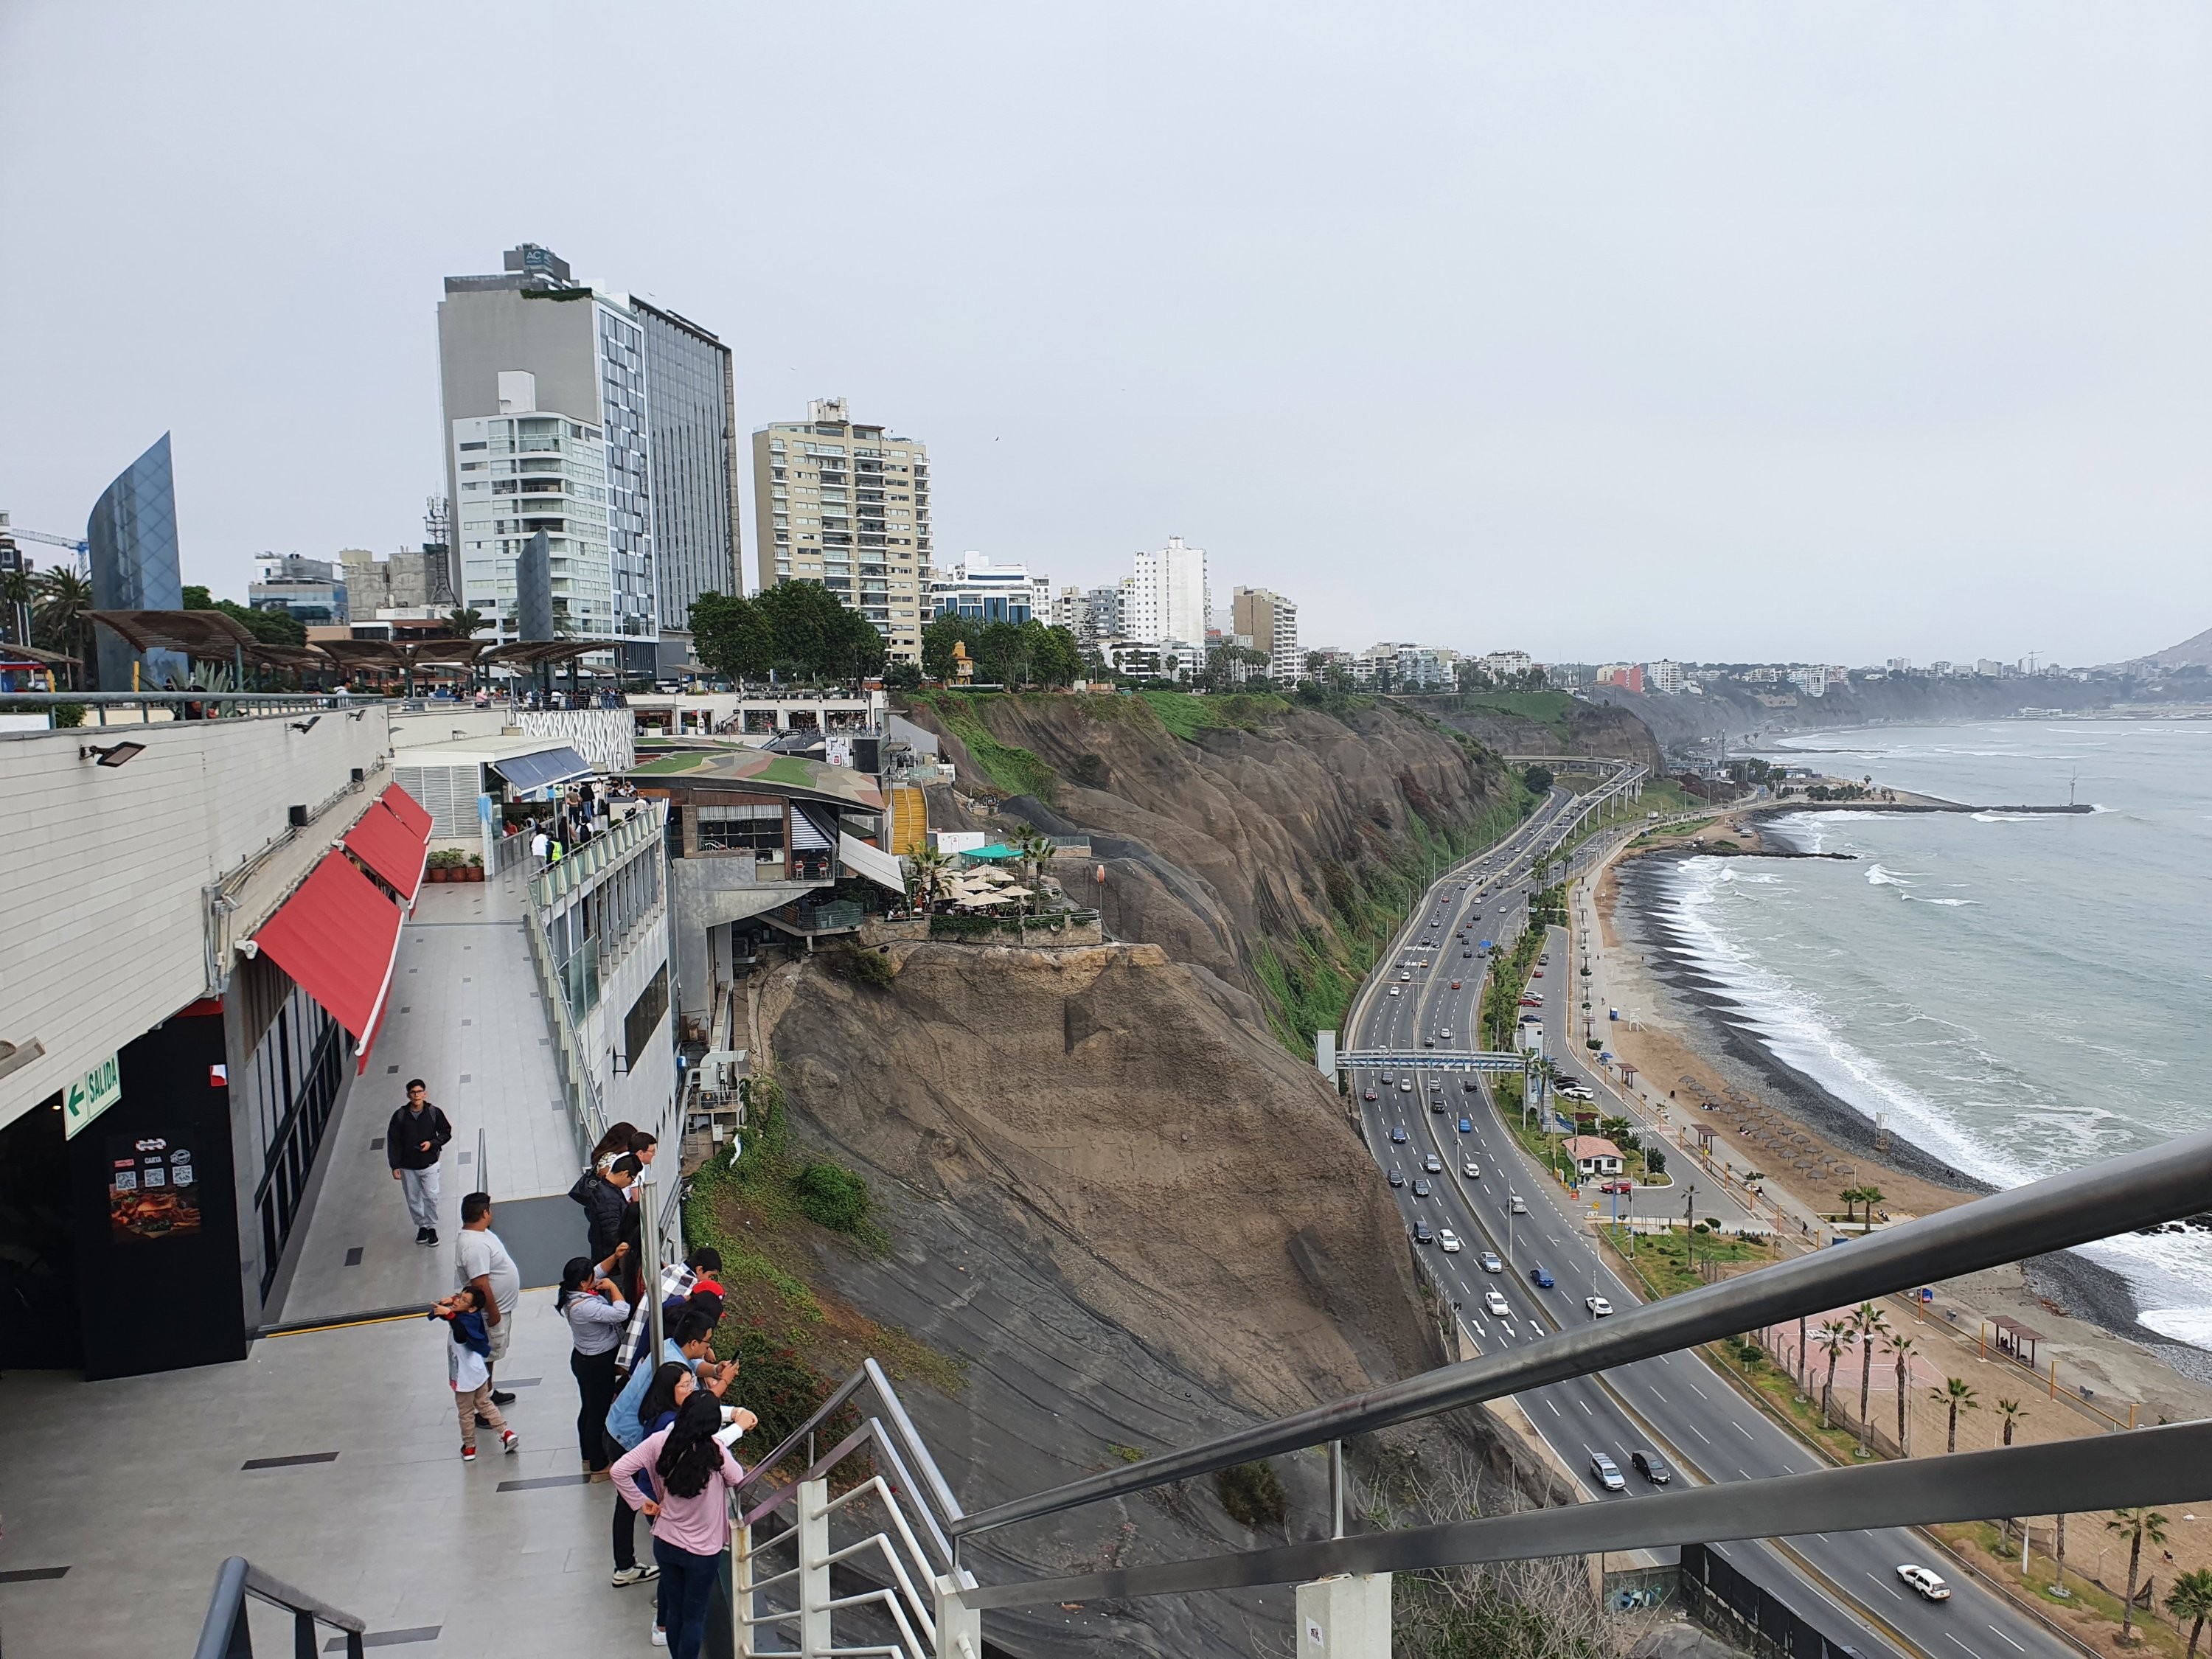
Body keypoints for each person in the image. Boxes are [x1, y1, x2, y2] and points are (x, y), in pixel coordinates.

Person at [603, 1310, 735, 1588]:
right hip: (624, 1438)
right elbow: (699, 1412)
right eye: (707, 1343)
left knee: (631, 1502)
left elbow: (691, 1374)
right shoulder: (667, 1427)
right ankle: (627, 1566)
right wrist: (725, 1385)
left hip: (616, 1426)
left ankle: (627, 1564)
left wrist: (714, 1371)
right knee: (631, 1502)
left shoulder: (669, 1350)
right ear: (694, 1344)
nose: (709, 1349)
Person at [611, 1392, 749, 1659]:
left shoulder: (660, 1441)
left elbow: (619, 1470)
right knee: (694, 1617)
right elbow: (737, 1478)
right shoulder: (716, 1451)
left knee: (674, 1611)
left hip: (666, 1542)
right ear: (711, 1425)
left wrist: (640, 1501)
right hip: (703, 1552)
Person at [558, 1248, 632, 1480]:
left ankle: (588, 1455)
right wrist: (613, 1287)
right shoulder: (586, 1307)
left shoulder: (572, 1292)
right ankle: (599, 1465)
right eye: (590, 1278)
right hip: (597, 1364)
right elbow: (621, 1312)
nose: (596, 1278)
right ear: (582, 1283)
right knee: (597, 1414)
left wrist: (615, 1256)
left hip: (583, 1359)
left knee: (588, 1409)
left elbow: (598, 1270)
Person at [428, 1284, 517, 1462]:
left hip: (465, 1376)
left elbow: (460, 1335)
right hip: (478, 1372)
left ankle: (469, 1447)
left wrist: (450, 1313)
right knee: (485, 1404)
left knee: (466, 1412)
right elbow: (440, 1314)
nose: (458, 1301)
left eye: (464, 1300)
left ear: (473, 1308)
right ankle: (506, 1433)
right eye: (459, 1297)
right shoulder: (468, 1315)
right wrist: (449, 1305)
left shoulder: (463, 1320)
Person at [456, 1192, 522, 1404]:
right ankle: (481, 1404)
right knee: (486, 1355)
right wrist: (493, 1314)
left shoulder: (481, 1235)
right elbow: (480, 1284)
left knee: (490, 1356)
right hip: (492, 1312)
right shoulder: (474, 1245)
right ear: (484, 1213)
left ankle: (489, 1392)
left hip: (499, 1308)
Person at [387, 1079, 453, 1246]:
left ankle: (431, 1226)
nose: (417, 1095)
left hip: (430, 1163)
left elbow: (446, 1132)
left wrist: (433, 1144)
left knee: (431, 1196)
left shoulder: (433, 1112)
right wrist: (395, 1165)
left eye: (419, 1092)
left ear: (425, 1093)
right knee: (413, 1198)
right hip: (407, 1166)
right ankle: (422, 1226)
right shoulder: (400, 1116)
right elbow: (393, 1141)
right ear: (408, 1095)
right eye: (413, 1092)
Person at [568, 1153, 637, 1264]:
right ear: (624, 1174)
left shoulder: (605, 1189)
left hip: (603, 1253)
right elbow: (612, 1234)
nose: (630, 1183)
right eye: (632, 1180)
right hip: (611, 1260)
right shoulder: (609, 1198)